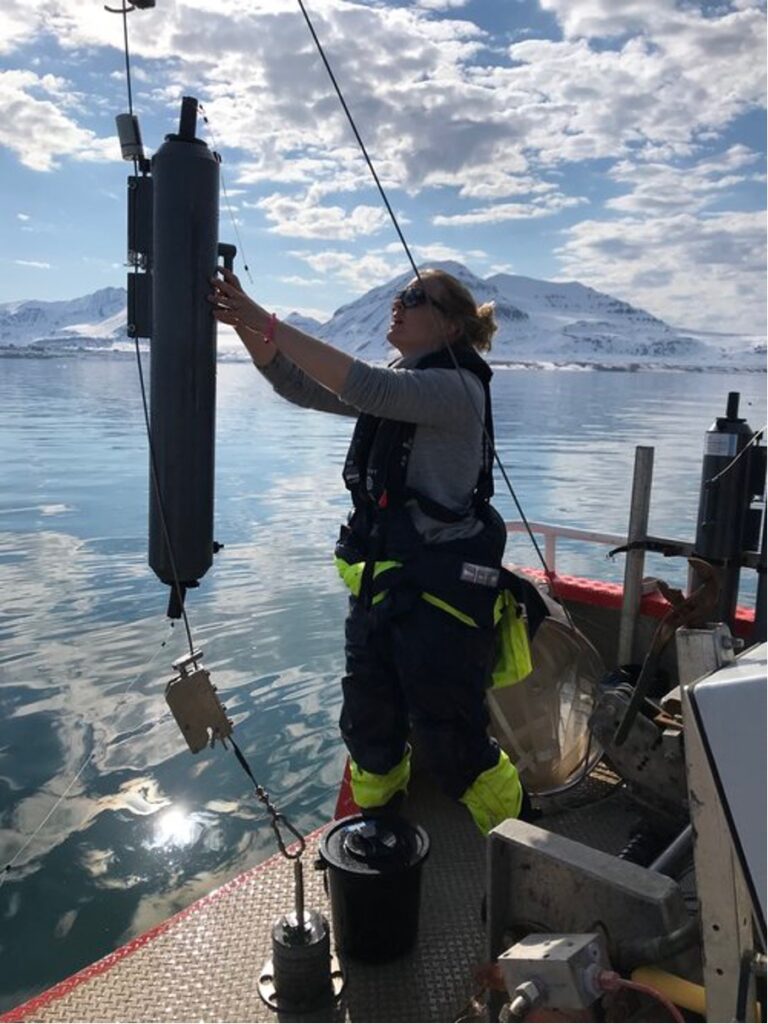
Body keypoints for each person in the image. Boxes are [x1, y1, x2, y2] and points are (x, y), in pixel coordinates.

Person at [209, 266, 534, 833]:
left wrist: (263, 318)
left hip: (440, 599)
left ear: (452, 326)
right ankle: (379, 832)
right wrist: (242, 325)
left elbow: (362, 385)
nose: (398, 303)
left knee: (452, 745)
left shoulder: (453, 390)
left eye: (414, 297)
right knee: (369, 730)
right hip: (383, 589)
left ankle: (530, 851)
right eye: (399, 294)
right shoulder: (405, 382)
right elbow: (302, 387)